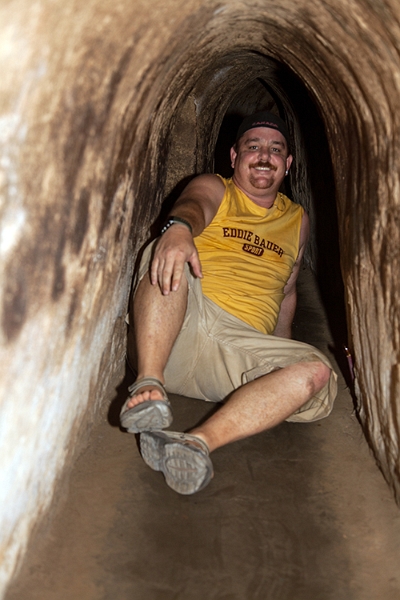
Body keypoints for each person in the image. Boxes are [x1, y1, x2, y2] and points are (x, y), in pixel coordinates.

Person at [120, 111, 337, 495]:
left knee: (317, 372)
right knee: (168, 251)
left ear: (288, 163)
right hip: (179, 326)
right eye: (253, 147)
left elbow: (286, 292)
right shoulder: (216, 188)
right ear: (235, 157)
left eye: (275, 149)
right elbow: (193, 205)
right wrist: (180, 229)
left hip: (235, 355)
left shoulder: (297, 221)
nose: (264, 156)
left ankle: (195, 443)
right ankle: (147, 387)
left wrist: (280, 352)